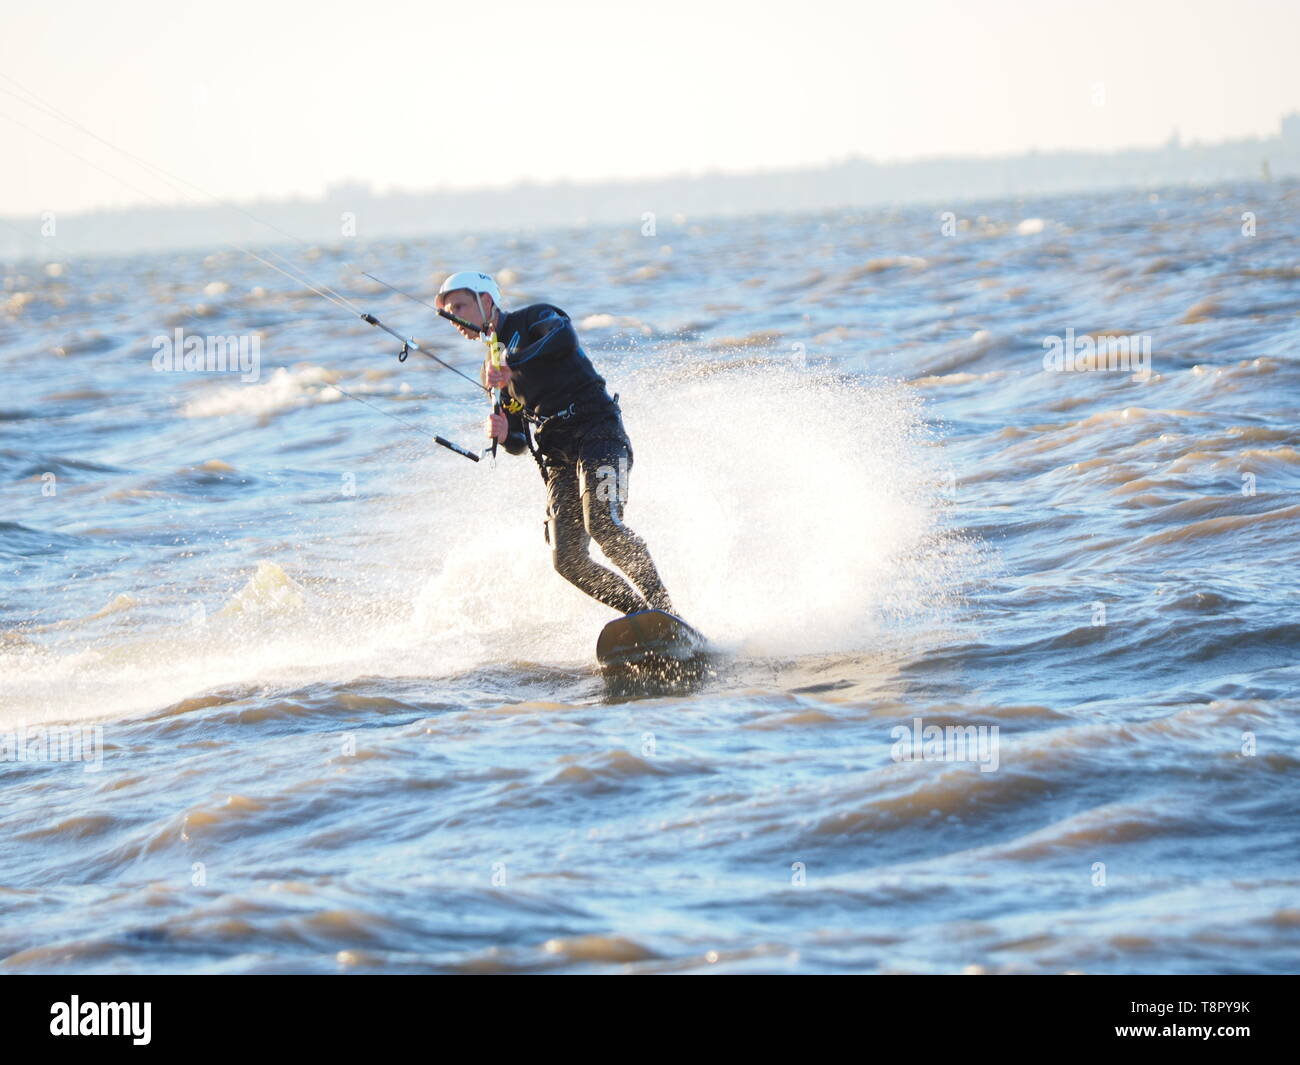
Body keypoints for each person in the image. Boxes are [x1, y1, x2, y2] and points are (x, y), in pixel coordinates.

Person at [436, 271, 676, 618]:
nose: (454, 318)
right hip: (556, 457)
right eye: (448, 311)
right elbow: (519, 440)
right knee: (568, 560)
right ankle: (641, 617)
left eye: (459, 305)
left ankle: (664, 609)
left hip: (598, 433)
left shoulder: (535, 318)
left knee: (604, 525)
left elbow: (562, 337)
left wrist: (512, 362)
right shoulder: (489, 369)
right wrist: (505, 434)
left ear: (485, 301)